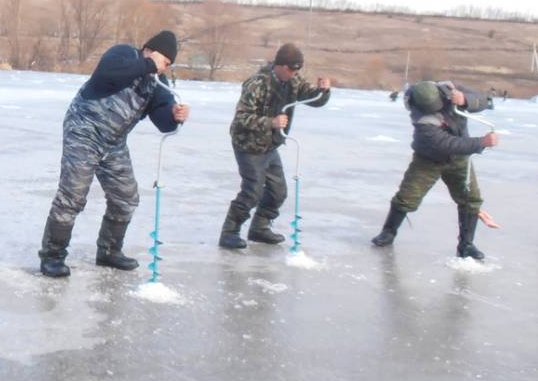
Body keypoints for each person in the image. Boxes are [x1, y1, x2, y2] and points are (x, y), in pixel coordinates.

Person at [39, 31, 191, 277]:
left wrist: (175, 115)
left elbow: (164, 123)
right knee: (73, 196)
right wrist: (148, 65)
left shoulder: (157, 84)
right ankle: (52, 256)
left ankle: (109, 251)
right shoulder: (122, 54)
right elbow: (108, 75)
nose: (164, 68)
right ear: (150, 50)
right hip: (83, 130)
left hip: (113, 142)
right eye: (164, 60)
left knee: (126, 197)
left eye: (169, 65)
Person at [218, 43, 331, 249]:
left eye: (297, 69)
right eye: (291, 69)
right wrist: (271, 122)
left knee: (278, 191)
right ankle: (229, 232)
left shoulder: (293, 81)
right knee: (252, 191)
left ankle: (259, 227)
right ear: (279, 65)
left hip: (270, 145)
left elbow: (313, 98)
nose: (294, 73)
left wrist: (324, 91)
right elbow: (242, 118)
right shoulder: (257, 84)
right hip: (248, 144)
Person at [371, 80, 499, 259]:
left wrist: (465, 100)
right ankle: (388, 232)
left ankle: (466, 245)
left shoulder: (452, 90)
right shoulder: (422, 120)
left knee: (470, 200)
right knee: (407, 197)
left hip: (459, 161)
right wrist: (481, 143)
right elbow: (447, 144)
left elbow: (484, 100)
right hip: (428, 160)